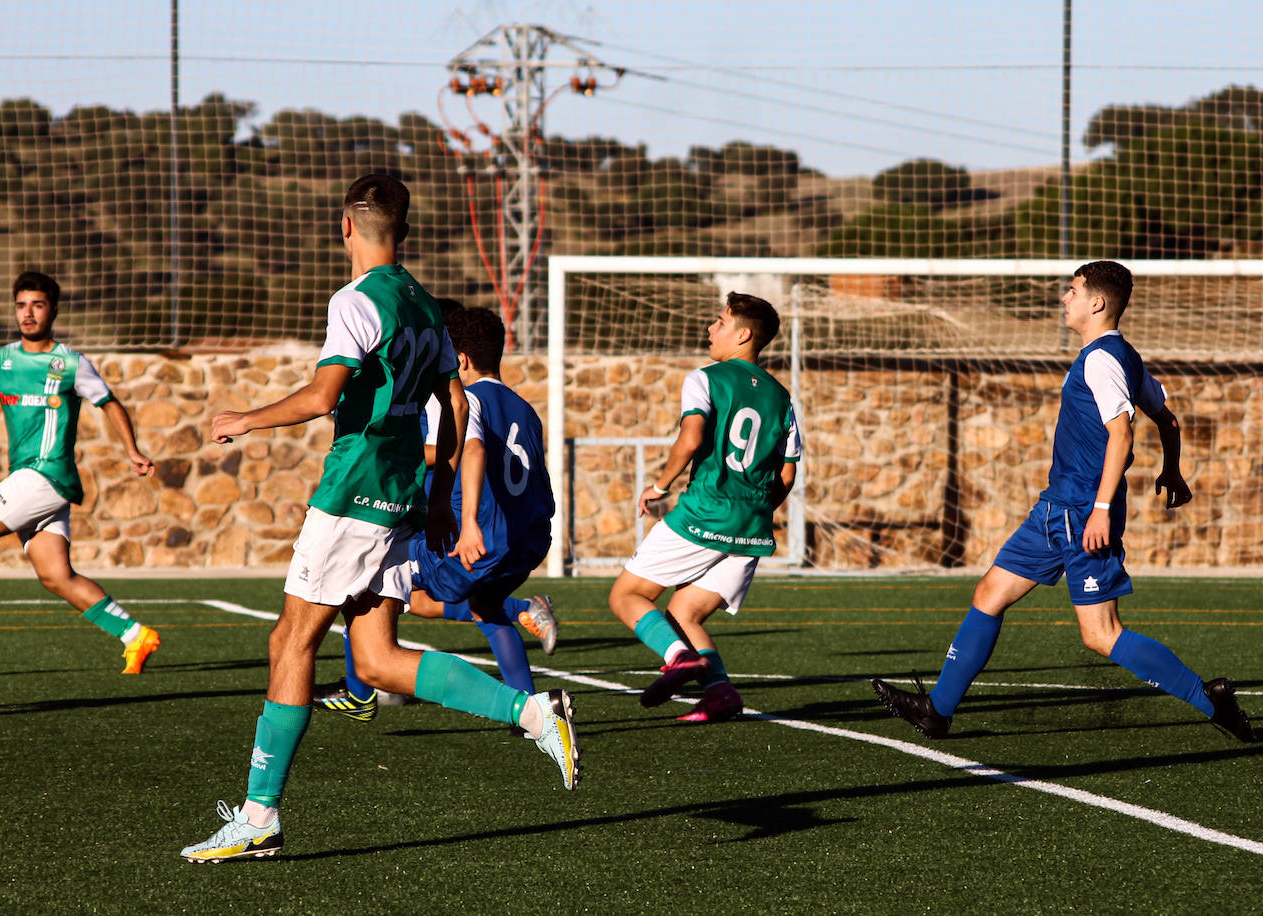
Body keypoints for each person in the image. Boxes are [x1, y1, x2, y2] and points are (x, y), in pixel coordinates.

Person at [180, 174, 578, 864]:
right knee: (375, 658)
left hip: (355, 491)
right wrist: (438, 494)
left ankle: (259, 816)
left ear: (345, 226)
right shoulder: (424, 305)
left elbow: (323, 395)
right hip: (402, 496)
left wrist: (247, 418)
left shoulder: (356, 300)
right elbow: (457, 405)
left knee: (291, 642)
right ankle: (533, 713)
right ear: (405, 229)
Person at [871, 260, 1256, 743]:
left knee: (1101, 634)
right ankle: (937, 711)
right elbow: (1168, 419)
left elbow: (1122, 434)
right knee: (989, 594)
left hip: (1082, 514)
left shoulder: (1102, 360)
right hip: (1054, 509)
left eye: (1073, 290)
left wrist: (1101, 510)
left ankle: (1210, 699)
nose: (1064, 298)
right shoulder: (1119, 355)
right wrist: (1172, 469)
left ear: (1097, 302)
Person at [313, 305, 560, 722]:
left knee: (363, 579)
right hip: (528, 539)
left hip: (478, 536)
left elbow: (470, 450)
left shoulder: (463, 399)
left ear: (459, 360)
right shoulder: (525, 409)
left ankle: (360, 692)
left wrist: (467, 523)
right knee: (482, 605)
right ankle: (533, 707)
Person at [0, 271, 160, 673]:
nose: (28, 313)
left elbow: (109, 403)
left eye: (37, 305)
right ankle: (135, 634)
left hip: (46, 474)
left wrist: (132, 450)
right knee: (56, 576)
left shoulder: (71, 363)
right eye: (21, 305)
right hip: (35, 478)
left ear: (53, 310)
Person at [607, 292, 801, 723]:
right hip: (753, 527)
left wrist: (659, 486)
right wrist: (751, 510)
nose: (710, 329)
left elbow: (691, 438)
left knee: (626, 596)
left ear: (743, 334)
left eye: (719, 322)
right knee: (685, 613)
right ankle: (720, 693)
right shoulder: (783, 398)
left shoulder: (705, 378)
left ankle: (678, 658)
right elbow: (787, 475)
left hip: (705, 513)